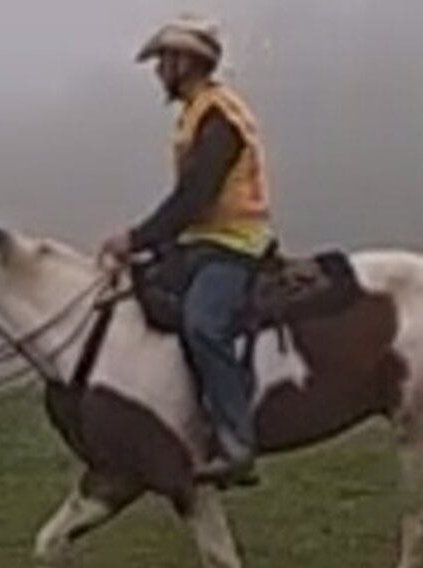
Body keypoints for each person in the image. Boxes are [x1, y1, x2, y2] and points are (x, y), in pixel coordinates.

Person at [98, 14, 277, 486]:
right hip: (202, 242)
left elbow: (194, 196)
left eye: (164, 60)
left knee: (205, 323)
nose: (159, 70)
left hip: (236, 244)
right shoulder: (196, 113)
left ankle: (237, 441)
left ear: (186, 63)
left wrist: (136, 238)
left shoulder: (220, 117)